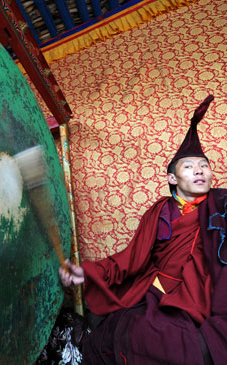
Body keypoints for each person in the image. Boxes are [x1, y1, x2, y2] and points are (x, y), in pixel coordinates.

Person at [59, 95, 227, 364]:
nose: (200, 171)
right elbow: (130, 258)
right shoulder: (160, 210)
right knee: (131, 332)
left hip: (201, 296)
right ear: (172, 178)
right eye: (189, 166)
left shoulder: (222, 204)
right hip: (156, 290)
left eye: (204, 166)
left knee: (182, 345)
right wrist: (86, 271)